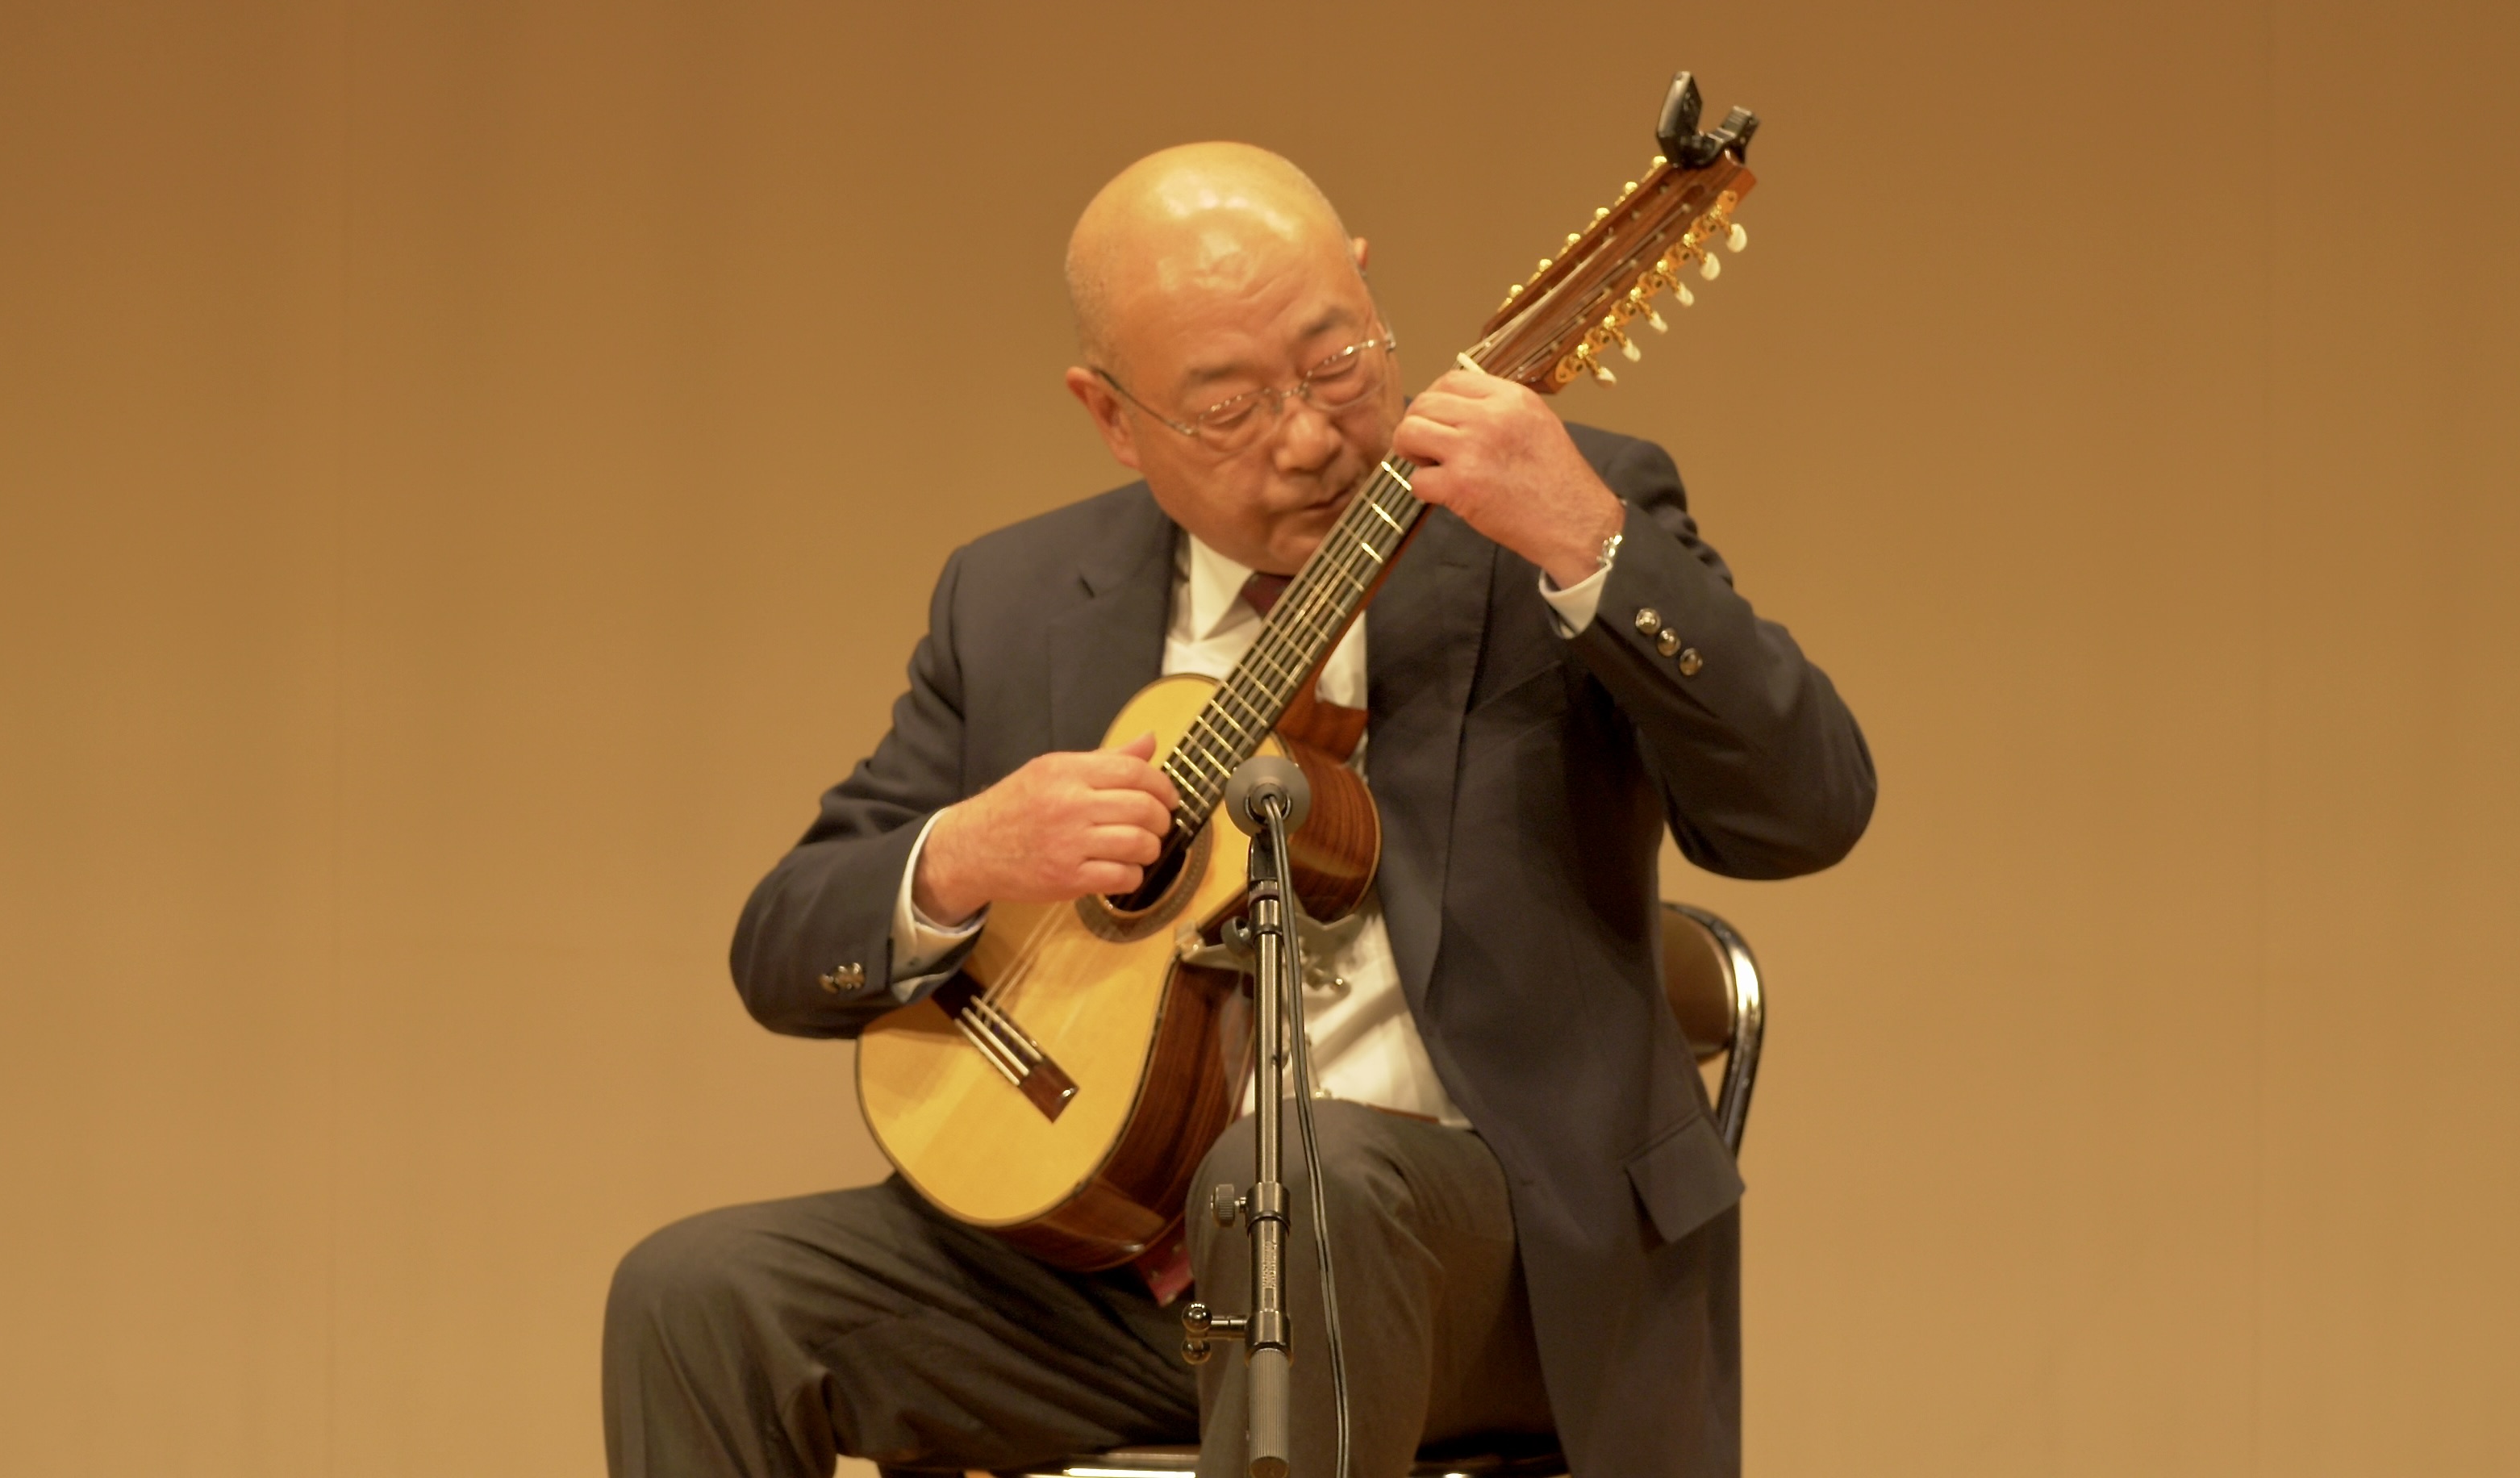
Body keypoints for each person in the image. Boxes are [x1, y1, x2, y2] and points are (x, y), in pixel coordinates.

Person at [603, 142, 1875, 1478]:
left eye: (1337, 365)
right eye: (1228, 408)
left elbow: (1809, 810)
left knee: (1291, 1179)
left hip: (1500, 1266)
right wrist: (967, 854)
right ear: (1112, 417)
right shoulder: (1018, 597)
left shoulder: (1547, 520)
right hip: (1111, 1273)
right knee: (699, 1298)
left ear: (1369, 290)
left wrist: (1589, 545)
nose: (1311, 437)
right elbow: (784, 941)